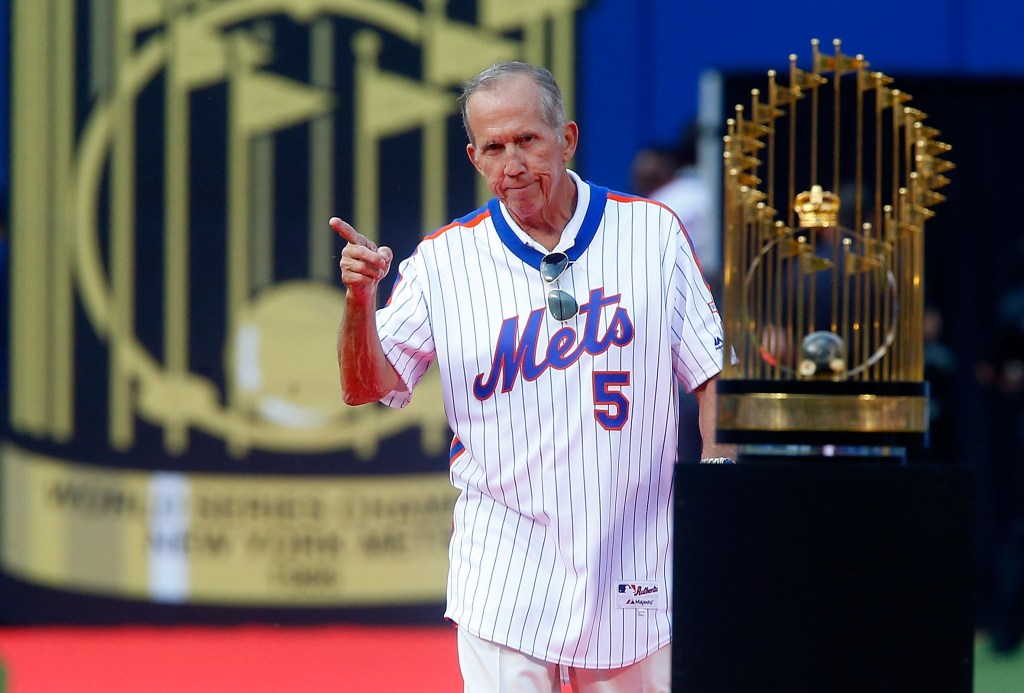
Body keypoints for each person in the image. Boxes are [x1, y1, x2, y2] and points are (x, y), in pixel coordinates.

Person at [333, 61, 733, 692]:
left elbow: (713, 377)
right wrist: (360, 303)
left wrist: (718, 495)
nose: (512, 162)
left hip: (636, 561)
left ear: (566, 138)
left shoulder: (650, 232)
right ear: (474, 157)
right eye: (494, 147)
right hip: (505, 572)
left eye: (528, 140)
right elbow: (367, 385)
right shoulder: (443, 261)